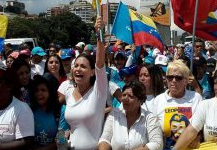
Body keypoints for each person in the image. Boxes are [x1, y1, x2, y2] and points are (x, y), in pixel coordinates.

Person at [64, 16, 107, 150]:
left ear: (92, 72)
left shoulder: (98, 92)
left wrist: (99, 34)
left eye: (83, 66)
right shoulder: (69, 93)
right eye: (76, 66)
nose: (78, 69)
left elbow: (99, 63)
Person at [98, 81, 163, 150]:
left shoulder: (150, 118)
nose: (125, 99)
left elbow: (157, 143)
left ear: (140, 100)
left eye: (131, 96)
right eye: (124, 95)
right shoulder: (114, 115)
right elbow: (105, 139)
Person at [153, 60, 202, 150]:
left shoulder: (196, 98)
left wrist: (198, 138)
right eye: (170, 77)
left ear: (186, 81)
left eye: (178, 78)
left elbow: (202, 126)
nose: (174, 81)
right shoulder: (158, 100)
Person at [30, 75, 61, 150]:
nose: (39, 93)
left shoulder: (60, 110)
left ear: (50, 92)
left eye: (43, 90)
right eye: (36, 90)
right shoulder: (29, 111)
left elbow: (62, 140)